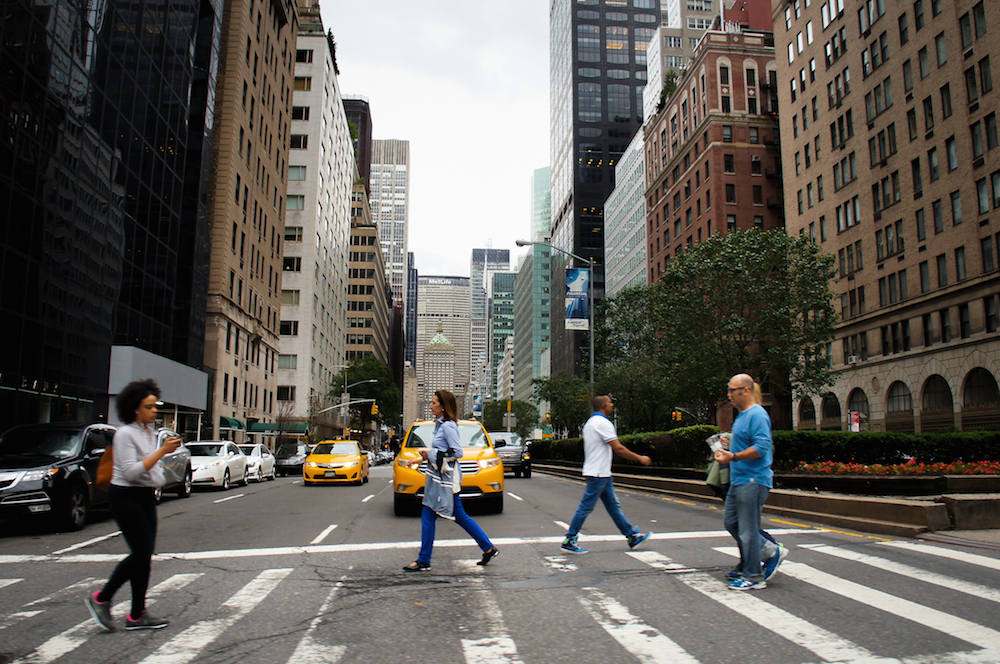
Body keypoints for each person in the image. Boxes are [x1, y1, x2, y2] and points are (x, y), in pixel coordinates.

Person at [85, 379, 182, 631]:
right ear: (135, 409)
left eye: (155, 406)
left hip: (145, 496)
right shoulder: (125, 433)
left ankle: (137, 614)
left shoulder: (148, 432)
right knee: (140, 552)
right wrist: (161, 452)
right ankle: (102, 598)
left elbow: (150, 470)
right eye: (149, 407)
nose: (154, 411)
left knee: (145, 555)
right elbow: (130, 472)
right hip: (125, 497)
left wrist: (162, 460)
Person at [403, 389, 499, 572]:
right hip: (439, 478)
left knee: (436, 514)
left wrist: (430, 453)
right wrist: (420, 458)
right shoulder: (441, 425)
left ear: (443, 407)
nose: (430, 406)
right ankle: (488, 548)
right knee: (448, 515)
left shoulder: (448, 426)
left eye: (433, 403)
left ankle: (424, 559)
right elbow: (439, 452)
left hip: (446, 480)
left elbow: (457, 452)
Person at [714, 374, 786, 590]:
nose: (729, 395)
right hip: (739, 480)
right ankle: (766, 553)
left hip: (753, 480)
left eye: (732, 391)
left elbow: (762, 447)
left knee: (747, 529)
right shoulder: (742, 416)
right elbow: (748, 442)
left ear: (745, 390)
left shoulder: (757, 415)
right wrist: (730, 444)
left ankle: (754, 576)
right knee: (732, 523)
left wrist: (733, 456)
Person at [561, 395, 653, 554]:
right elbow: (619, 448)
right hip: (598, 473)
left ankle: (631, 536)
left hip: (600, 472)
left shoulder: (591, 423)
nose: (612, 405)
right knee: (586, 507)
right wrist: (639, 458)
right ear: (603, 405)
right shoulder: (603, 423)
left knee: (613, 506)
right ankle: (570, 539)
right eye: (610, 403)